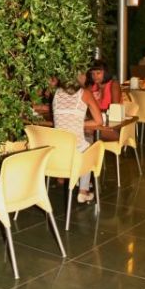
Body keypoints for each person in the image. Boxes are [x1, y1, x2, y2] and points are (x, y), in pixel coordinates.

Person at [51, 72, 102, 204]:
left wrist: (77, 121)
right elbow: (99, 121)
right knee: (89, 144)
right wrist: (79, 122)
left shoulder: (56, 93)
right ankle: (83, 191)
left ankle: (67, 177)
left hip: (56, 152)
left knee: (83, 143)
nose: (86, 76)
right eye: (83, 73)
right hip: (76, 152)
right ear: (78, 76)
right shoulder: (85, 93)